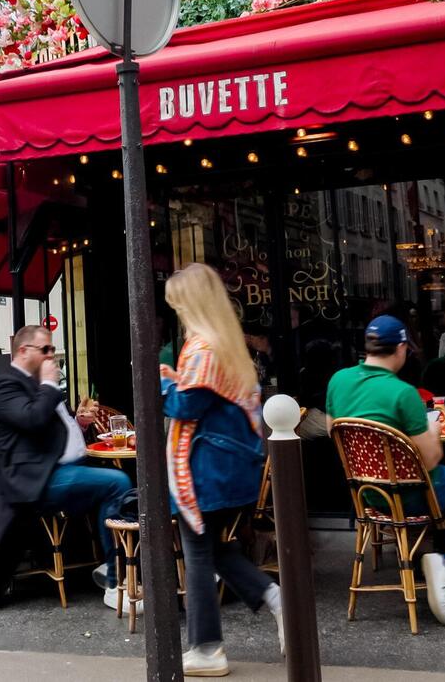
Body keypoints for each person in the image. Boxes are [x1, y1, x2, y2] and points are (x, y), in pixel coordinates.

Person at [327, 314, 445, 625]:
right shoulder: (403, 394)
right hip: (417, 491)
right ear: (401, 348)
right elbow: (431, 459)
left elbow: (334, 430)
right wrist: (434, 430)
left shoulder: (338, 381)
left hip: (369, 494)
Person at [162, 264, 280, 676]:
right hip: (234, 468)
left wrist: (163, 383)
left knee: (196, 554)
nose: (175, 312)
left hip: (205, 469)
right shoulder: (228, 346)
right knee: (213, 549)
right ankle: (272, 596)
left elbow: (186, 405)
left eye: (177, 304)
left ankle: (207, 648)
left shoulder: (201, 348)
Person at [0, 324, 133, 611]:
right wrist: (50, 385)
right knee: (117, 482)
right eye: (46, 349)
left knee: (127, 482)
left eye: (52, 349)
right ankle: (116, 582)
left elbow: (52, 429)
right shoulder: (5, 385)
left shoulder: (37, 384)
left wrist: (80, 423)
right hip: (37, 480)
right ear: (23, 351)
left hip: (64, 469)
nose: (51, 356)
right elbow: (32, 419)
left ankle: (119, 564)